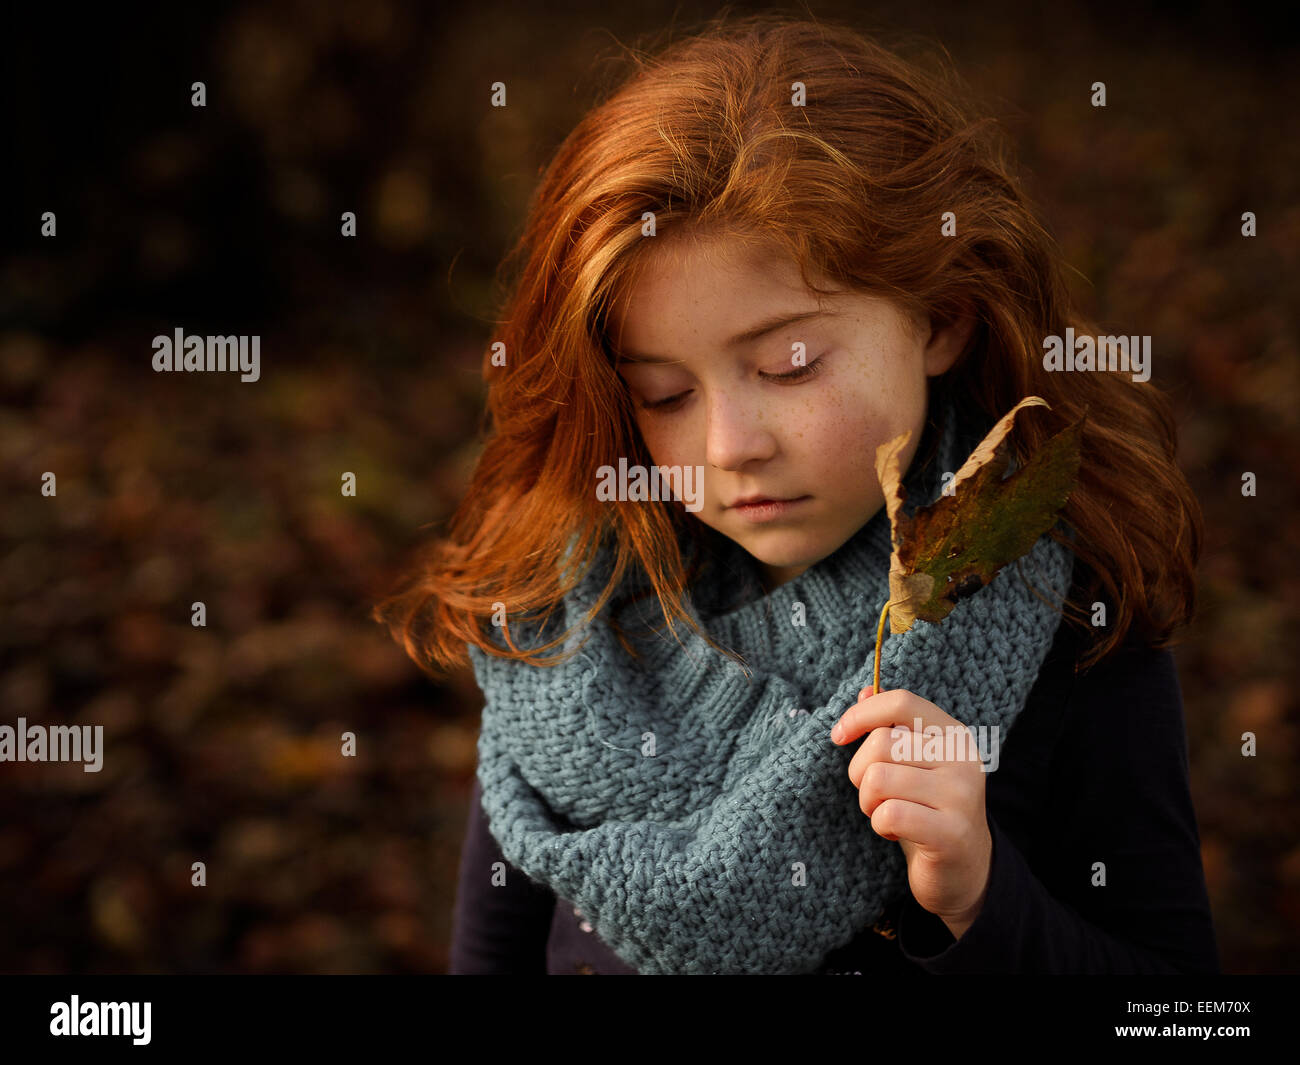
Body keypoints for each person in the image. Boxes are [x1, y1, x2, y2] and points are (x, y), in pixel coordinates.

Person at [372, 13, 1218, 975]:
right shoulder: (569, 630)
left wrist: (986, 901)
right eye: (665, 394)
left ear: (942, 317)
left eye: (791, 363)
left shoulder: (1070, 628)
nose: (730, 448)